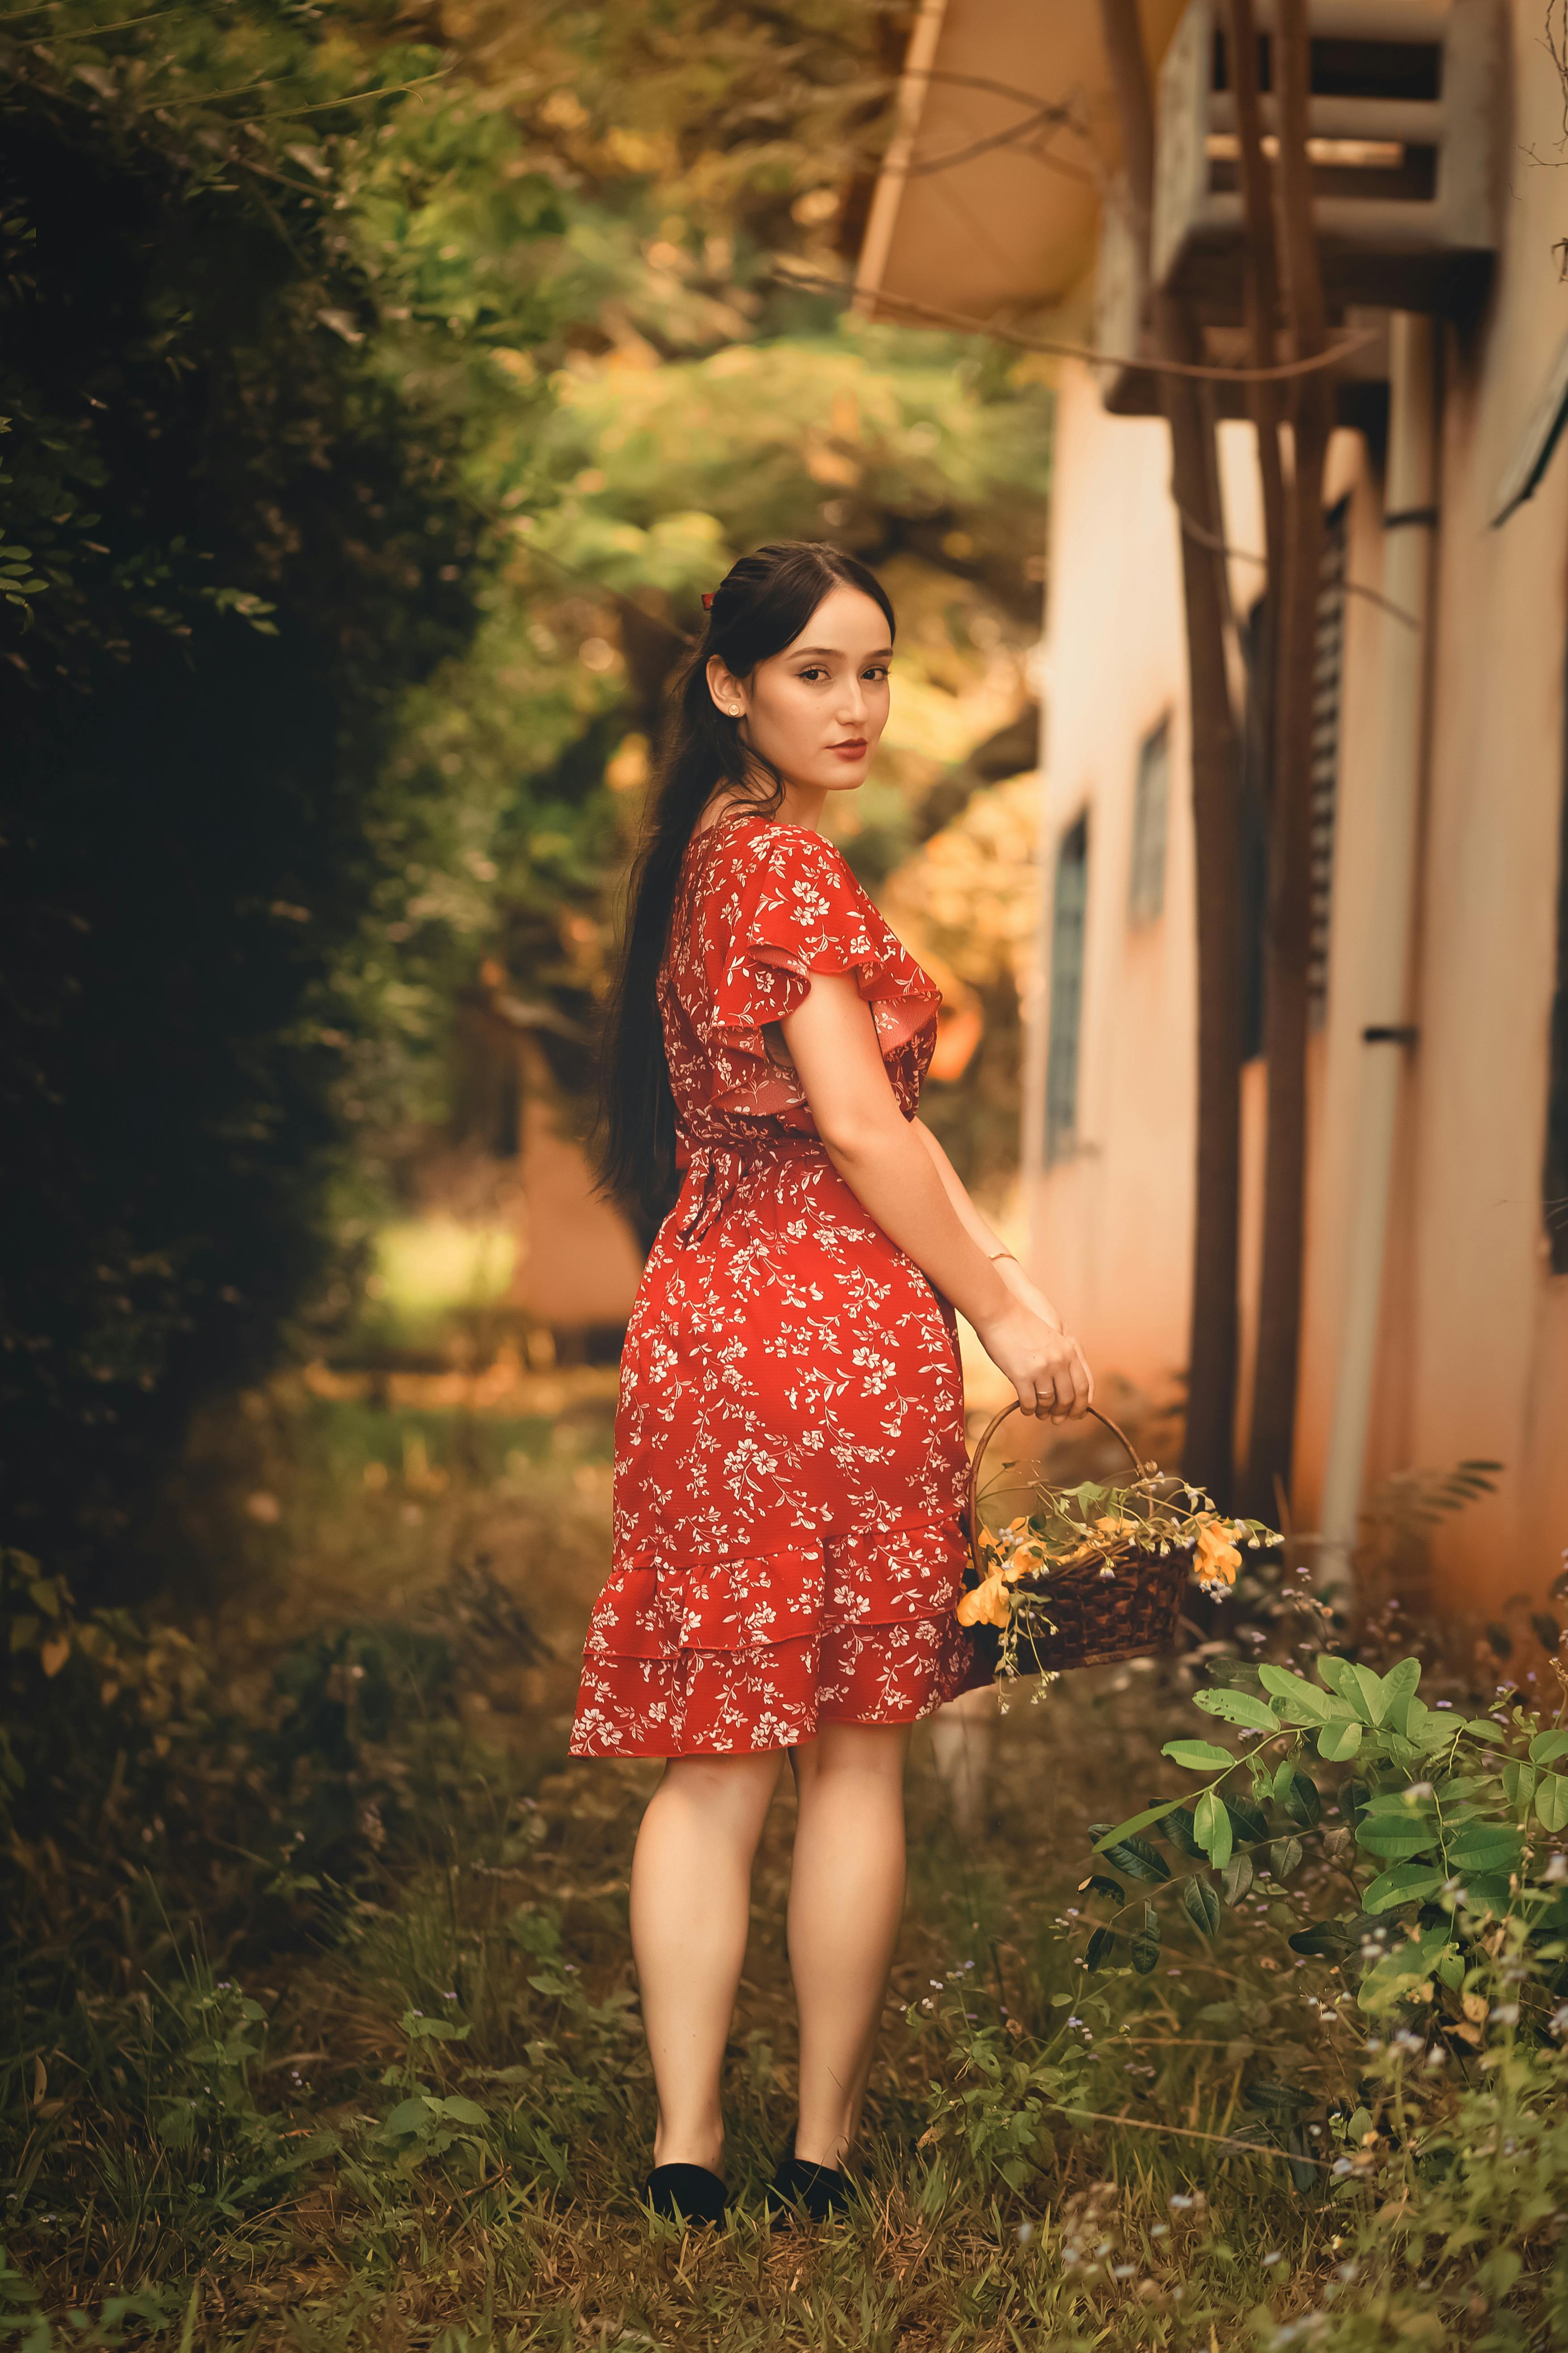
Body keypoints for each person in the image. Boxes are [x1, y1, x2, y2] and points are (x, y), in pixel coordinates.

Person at [570, 541, 1092, 2227]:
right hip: (838, 1331)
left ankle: (683, 2148)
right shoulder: (789, 877)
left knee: (713, 1759)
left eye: (874, 669)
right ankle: (817, 2156)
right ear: (732, 685)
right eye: (815, 671)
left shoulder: (696, 866)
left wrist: (992, 1258)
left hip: (710, 1316)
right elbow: (866, 1130)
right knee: (854, 1753)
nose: (855, 704)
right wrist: (1005, 1312)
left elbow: (839, 1137)